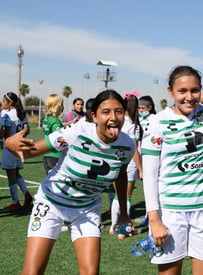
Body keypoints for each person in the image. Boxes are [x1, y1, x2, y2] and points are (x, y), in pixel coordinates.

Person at [5, 89, 136, 274]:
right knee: (32, 271)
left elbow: (121, 174)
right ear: (94, 116)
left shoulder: (127, 145)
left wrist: (123, 212)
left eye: (119, 111)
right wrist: (9, 143)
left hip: (87, 208)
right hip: (52, 202)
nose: (113, 117)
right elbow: (30, 151)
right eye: (106, 112)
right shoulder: (77, 132)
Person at [141, 65, 203, 275]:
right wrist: (155, 220)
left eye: (194, 90)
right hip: (170, 213)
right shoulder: (157, 122)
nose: (189, 97)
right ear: (170, 92)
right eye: (182, 91)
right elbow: (150, 176)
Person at [109, 92, 143, 238]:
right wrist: (141, 169)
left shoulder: (119, 121)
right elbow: (134, 149)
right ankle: (122, 229)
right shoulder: (133, 125)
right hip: (128, 163)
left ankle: (113, 226)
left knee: (117, 195)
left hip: (114, 160)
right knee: (126, 197)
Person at [0, 92, 33, 211]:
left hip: (10, 147)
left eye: (4, 101)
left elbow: (6, 134)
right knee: (16, 174)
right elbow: (27, 130)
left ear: (10, 103)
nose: (2, 104)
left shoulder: (6, 115)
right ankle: (26, 194)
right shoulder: (23, 114)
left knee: (11, 176)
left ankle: (15, 202)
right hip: (20, 146)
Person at [41, 94, 64, 174]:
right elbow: (60, 140)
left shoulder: (46, 119)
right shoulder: (55, 121)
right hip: (55, 155)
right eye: (62, 104)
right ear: (57, 106)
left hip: (47, 154)